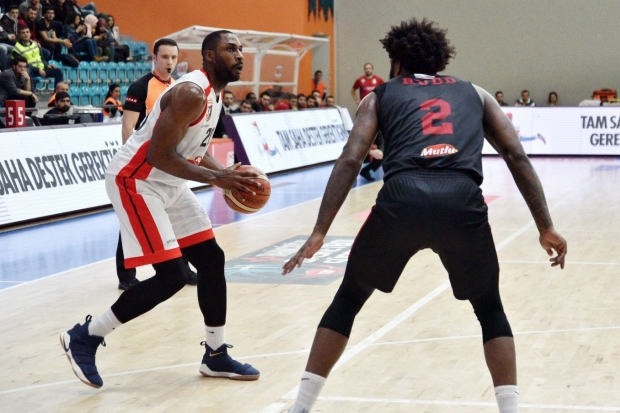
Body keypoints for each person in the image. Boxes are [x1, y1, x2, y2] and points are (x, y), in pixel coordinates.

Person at [281, 17, 567, 413]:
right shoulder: (477, 94)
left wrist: (319, 231)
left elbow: (350, 159)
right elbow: (516, 155)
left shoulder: (379, 96)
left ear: (397, 62)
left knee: (348, 299)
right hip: (461, 201)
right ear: (440, 60)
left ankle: (299, 408)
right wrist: (545, 226)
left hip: (403, 200)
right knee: (490, 309)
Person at [60, 30, 262, 389]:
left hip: (168, 182)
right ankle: (85, 336)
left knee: (211, 260)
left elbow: (193, 150)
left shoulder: (214, 95)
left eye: (240, 49)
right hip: (136, 180)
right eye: (230, 49)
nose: (239, 55)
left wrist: (224, 174)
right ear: (209, 56)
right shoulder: (191, 92)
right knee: (172, 276)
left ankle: (216, 355)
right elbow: (158, 155)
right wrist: (218, 179)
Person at [118, 38, 198, 289]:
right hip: (142, 163)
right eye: (164, 57)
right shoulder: (140, 87)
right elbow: (128, 127)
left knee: (174, 216)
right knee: (132, 218)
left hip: (167, 163)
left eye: (173, 57)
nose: (169, 62)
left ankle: (184, 269)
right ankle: (126, 277)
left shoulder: (179, 87)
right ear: (154, 58)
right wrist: (134, 161)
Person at [12, 25, 64, 90]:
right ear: (19, 35)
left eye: (27, 32)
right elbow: (22, 65)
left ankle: (58, 94)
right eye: (23, 33)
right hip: (30, 70)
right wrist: (38, 70)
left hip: (41, 68)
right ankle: (31, 95)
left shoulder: (35, 43)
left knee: (58, 71)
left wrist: (47, 65)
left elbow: (42, 58)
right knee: (27, 72)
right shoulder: (17, 48)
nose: (26, 34)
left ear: (30, 34)